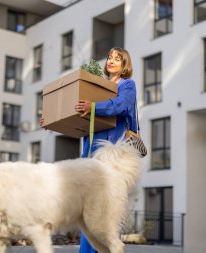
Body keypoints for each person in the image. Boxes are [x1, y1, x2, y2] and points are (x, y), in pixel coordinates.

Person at [74, 47, 138, 253]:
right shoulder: (98, 87)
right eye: (109, 57)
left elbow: (122, 105)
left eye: (117, 59)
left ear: (124, 64)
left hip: (111, 156)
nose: (111, 60)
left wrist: (94, 106)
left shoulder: (127, 85)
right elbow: (78, 117)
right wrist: (52, 120)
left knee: (107, 213)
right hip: (90, 154)